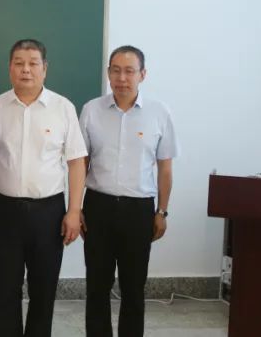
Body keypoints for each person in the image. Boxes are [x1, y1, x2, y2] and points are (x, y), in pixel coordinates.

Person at [0, 38, 88, 337]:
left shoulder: (63, 108)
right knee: (6, 292)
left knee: (43, 292)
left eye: (33, 63)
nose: (26, 69)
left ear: (44, 68)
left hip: (49, 213)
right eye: (19, 63)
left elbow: (77, 162)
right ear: (9, 68)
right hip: (4, 211)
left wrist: (74, 211)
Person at [80, 45, 180, 337]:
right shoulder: (91, 110)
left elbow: (165, 168)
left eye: (129, 71)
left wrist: (162, 211)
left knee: (134, 288)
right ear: (108, 73)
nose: (121, 78)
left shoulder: (159, 113)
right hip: (98, 207)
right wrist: (76, 208)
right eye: (116, 70)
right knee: (97, 287)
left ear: (142, 75)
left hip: (139, 210)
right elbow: (80, 164)